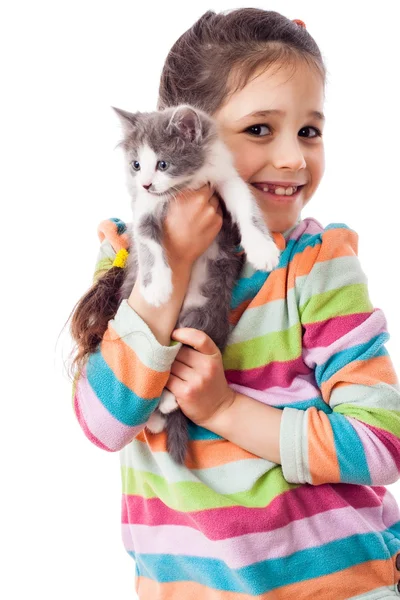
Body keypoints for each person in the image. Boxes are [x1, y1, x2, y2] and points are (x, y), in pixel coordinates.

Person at [67, 8, 400, 599]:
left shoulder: (316, 263)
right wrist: (165, 263)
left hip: (340, 586)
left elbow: (381, 444)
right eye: (259, 130)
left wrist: (223, 411)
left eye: (309, 131)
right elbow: (105, 422)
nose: (295, 159)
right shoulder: (126, 257)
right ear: (185, 134)